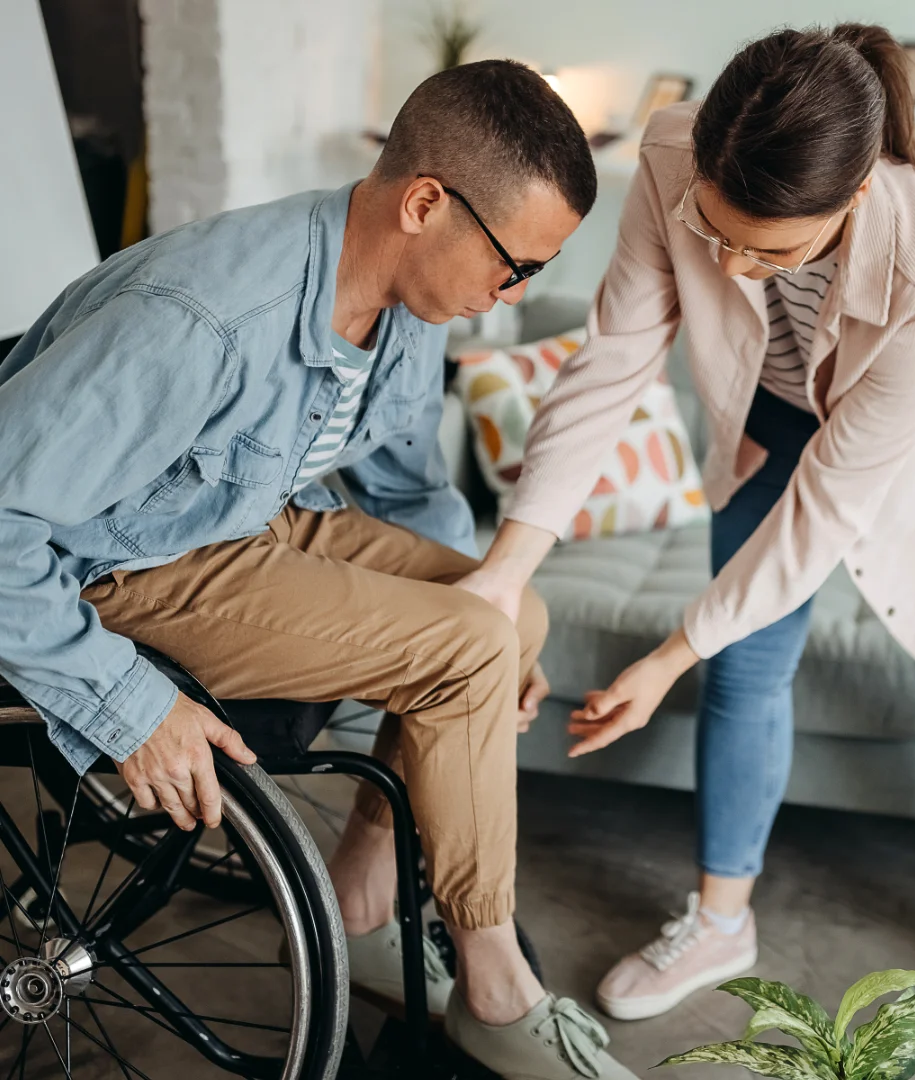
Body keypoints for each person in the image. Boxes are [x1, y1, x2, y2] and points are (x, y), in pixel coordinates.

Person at [459, 25, 915, 1080]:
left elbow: (827, 512)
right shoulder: (670, 153)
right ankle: (720, 918)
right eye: (719, 231)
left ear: (856, 199)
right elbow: (612, 365)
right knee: (749, 669)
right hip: (774, 417)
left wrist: (663, 657)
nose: (736, 264)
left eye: (773, 251)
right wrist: (503, 572)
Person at [0, 60, 639, 1080]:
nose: (510, 293)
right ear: (424, 203)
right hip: (118, 566)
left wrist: (486, 635)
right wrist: (130, 706)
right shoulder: (201, 319)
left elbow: (407, 489)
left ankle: (361, 902)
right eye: (513, 265)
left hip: (245, 525)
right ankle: (495, 991)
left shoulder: (404, 306)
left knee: (507, 617)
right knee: (471, 642)